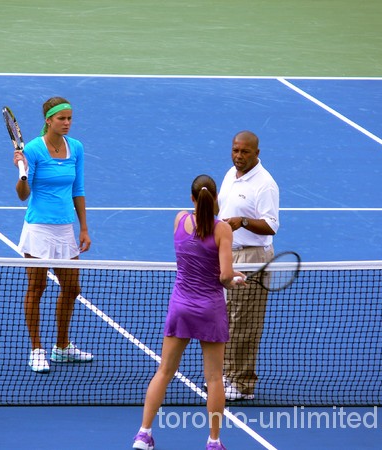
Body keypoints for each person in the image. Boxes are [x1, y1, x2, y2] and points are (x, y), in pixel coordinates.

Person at [132, 175, 245, 450]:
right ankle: (214, 441)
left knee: (164, 371)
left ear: (192, 198)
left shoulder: (179, 219)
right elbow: (224, 276)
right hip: (210, 309)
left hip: (181, 307)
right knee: (215, 378)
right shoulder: (223, 231)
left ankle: (143, 434)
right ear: (216, 198)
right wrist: (236, 279)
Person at [13, 96, 93, 373]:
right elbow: (23, 196)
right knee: (37, 288)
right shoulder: (34, 150)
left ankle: (62, 347)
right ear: (49, 120)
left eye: (70, 118)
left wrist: (83, 227)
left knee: (72, 288)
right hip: (39, 229)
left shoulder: (77, 148)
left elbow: (78, 189)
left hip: (66, 228)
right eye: (62, 118)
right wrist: (22, 173)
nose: (67, 123)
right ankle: (36, 349)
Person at [217, 130, 280, 401]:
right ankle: (225, 374)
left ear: (257, 153)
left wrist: (242, 221)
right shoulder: (231, 174)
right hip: (228, 255)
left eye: (244, 152)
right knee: (226, 318)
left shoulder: (266, 185)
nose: (238, 156)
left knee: (244, 323)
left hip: (253, 259)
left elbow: (271, 226)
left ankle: (241, 384)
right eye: (235, 150)